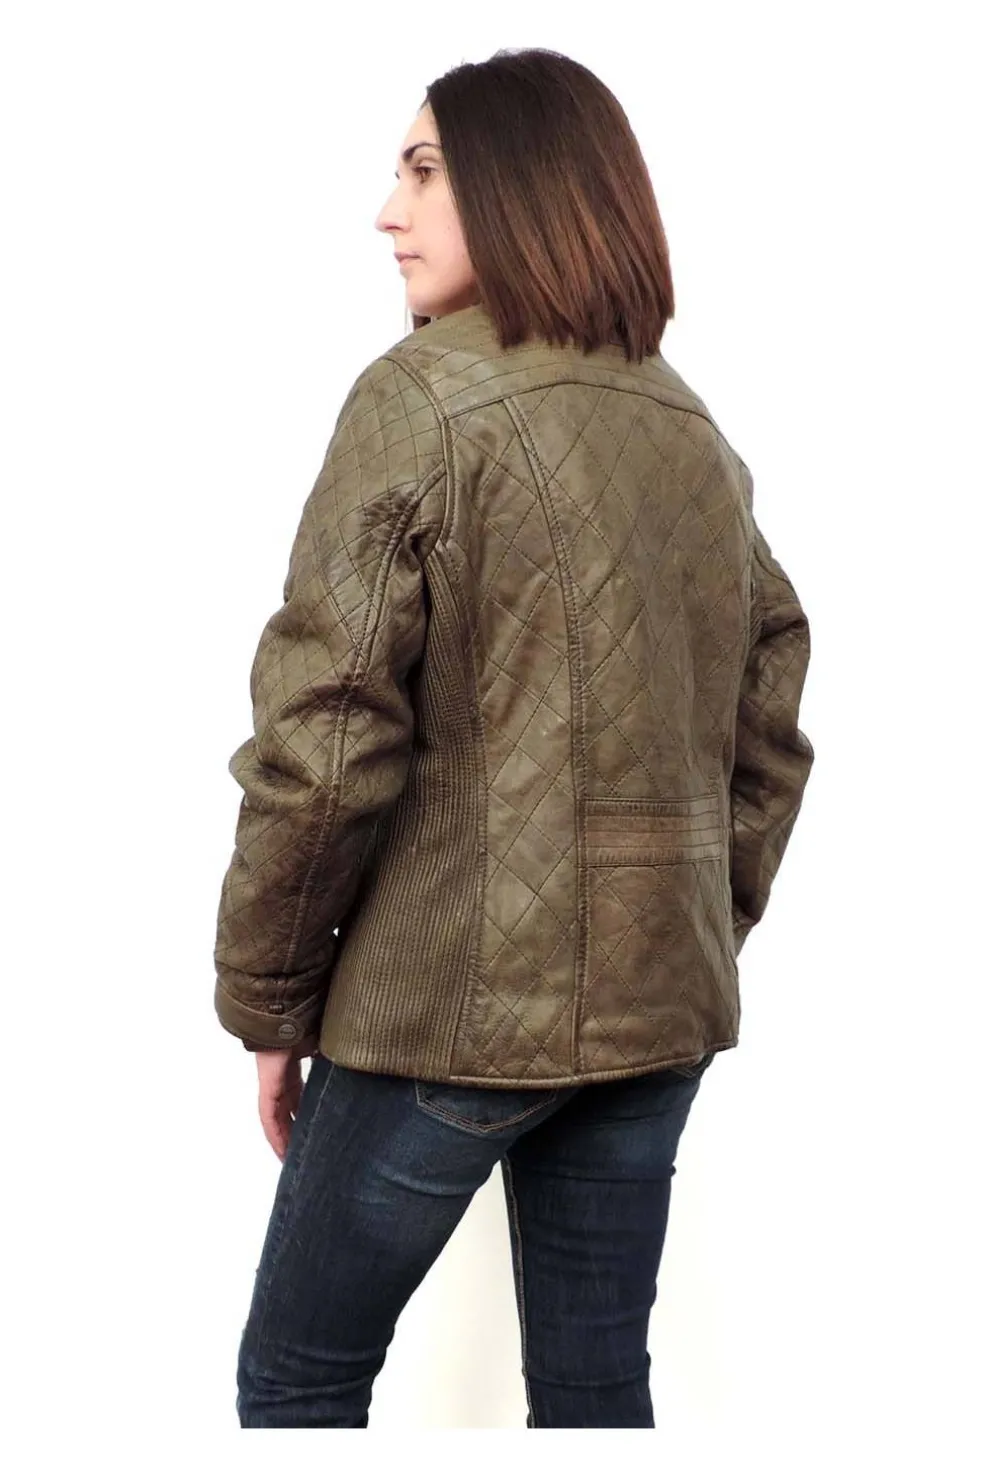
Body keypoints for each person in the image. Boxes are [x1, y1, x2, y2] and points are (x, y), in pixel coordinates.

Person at [212, 46, 815, 1429]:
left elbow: (323, 737)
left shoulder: (420, 396)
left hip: (446, 1009)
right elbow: (771, 712)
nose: (388, 210)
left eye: (424, 170)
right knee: (596, 1391)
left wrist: (269, 1002)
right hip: (660, 1010)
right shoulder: (686, 424)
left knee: (297, 1384)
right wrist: (688, 918)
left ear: (523, 189)